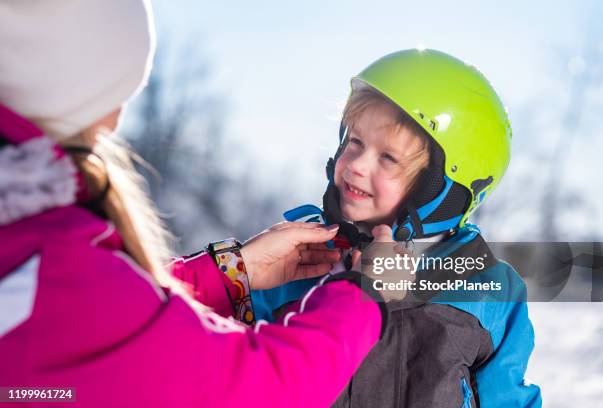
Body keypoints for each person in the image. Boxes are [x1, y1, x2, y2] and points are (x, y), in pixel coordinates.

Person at [0, 1, 388, 407]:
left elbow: (116, 347)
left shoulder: (32, 251)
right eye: (120, 95)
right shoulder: (53, 267)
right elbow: (261, 387)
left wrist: (232, 273)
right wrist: (365, 293)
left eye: (389, 157)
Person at [252, 49, 543, 407]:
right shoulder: (292, 264)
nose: (357, 165)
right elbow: (234, 377)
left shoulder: (490, 289)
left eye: (388, 158)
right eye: (355, 142)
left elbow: (508, 399)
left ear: (444, 189)